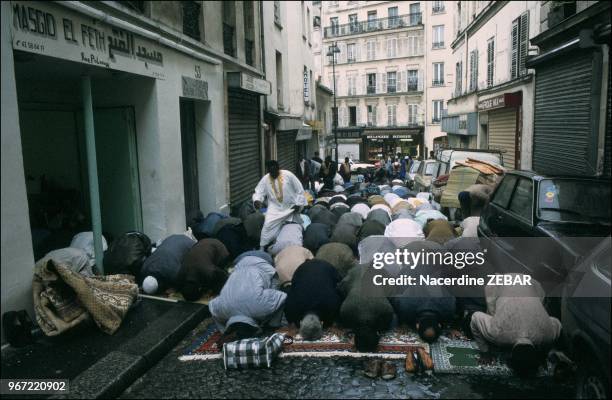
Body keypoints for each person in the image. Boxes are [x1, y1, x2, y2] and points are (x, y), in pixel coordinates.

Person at [470, 274, 562, 376]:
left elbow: (557, 323)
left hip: (532, 284)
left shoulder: (547, 336)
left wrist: (544, 353)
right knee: (492, 315)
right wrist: (485, 352)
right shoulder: (497, 333)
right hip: (499, 283)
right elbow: (475, 317)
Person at [209, 254, 286, 338]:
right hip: (246, 265)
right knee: (275, 295)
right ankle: (272, 327)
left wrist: (223, 330)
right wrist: (272, 323)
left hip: (256, 261)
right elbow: (282, 296)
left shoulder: (221, 310)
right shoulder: (221, 310)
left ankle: (271, 325)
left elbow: (211, 306)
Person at [253, 160, 307, 250]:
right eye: (270, 171)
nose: (273, 173)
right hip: (275, 208)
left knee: (294, 226)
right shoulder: (265, 179)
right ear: (268, 171)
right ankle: (262, 247)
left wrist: (298, 203)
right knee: (267, 226)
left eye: (274, 170)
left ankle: (298, 244)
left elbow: (299, 189)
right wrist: (257, 200)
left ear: (278, 169)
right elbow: (259, 192)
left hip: (290, 207)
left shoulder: (288, 175)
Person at [284, 260, 344, 340]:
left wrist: (335, 324)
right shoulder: (292, 307)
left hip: (325, 268)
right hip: (305, 269)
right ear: (321, 323)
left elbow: (341, 290)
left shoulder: (332, 304)